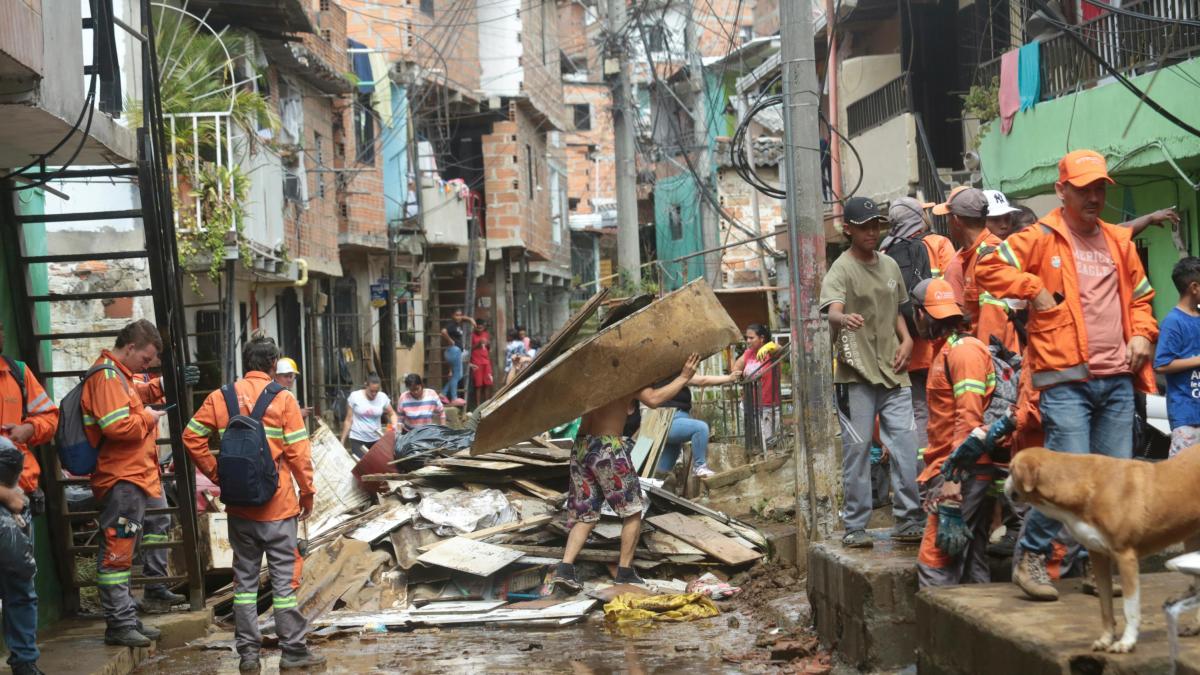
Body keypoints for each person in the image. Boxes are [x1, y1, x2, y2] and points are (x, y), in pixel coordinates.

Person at [976, 149, 1158, 602]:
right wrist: (1033, 289)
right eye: (1084, 189)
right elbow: (987, 268)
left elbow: (1141, 299)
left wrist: (1140, 336)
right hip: (1063, 380)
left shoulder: (1119, 241)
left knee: (1112, 483)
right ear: (1063, 191)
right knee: (1067, 481)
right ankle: (1031, 556)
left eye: (1099, 188)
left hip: (1117, 377)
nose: (1094, 197)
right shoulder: (1039, 237)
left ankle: (1101, 569)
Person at [182, 336, 324, 672]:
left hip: (239, 510)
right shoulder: (284, 400)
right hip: (278, 509)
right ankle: (293, 652)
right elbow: (299, 456)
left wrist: (218, 475)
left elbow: (191, 437)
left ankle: (248, 656)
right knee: (284, 582)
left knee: (244, 585)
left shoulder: (221, 396)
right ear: (274, 364)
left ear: (246, 361)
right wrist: (308, 494)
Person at [551, 300, 701, 591]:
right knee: (633, 509)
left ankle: (565, 569)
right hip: (607, 449)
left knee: (587, 513)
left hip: (582, 446)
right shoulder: (625, 373)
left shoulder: (590, 373)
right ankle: (624, 572)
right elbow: (655, 400)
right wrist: (684, 377)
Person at [818, 196, 924, 548]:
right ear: (848, 229)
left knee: (906, 445)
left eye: (876, 225)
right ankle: (855, 525)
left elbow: (897, 310)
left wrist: (907, 340)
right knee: (858, 449)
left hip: (894, 371)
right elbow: (833, 310)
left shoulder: (891, 266)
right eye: (864, 226)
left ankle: (909, 519)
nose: (872, 231)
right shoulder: (841, 269)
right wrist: (843, 317)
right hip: (855, 374)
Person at [80, 320, 171, 647]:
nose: (146, 366)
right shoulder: (106, 376)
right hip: (122, 478)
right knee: (118, 552)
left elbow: (133, 396)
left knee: (132, 540)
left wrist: (161, 386)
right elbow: (118, 425)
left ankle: (128, 617)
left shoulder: (119, 375)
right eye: (146, 360)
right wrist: (150, 417)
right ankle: (119, 623)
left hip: (135, 477)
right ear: (130, 348)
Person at [909, 279, 998, 588]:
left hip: (961, 472)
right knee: (971, 556)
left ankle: (937, 634)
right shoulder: (948, 351)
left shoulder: (962, 352)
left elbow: (968, 419)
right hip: (962, 469)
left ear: (922, 314)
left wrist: (952, 480)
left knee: (935, 562)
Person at [0, 320, 57, 675]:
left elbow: (49, 415)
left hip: (20, 495)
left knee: (21, 584)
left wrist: (30, 428)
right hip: (10, 495)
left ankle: (25, 663)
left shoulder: (17, 373)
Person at [882, 197, 957, 464]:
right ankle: (945, 472)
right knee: (947, 410)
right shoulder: (938, 244)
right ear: (918, 217)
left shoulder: (885, 252)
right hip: (939, 345)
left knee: (917, 413)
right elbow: (953, 288)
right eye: (924, 212)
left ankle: (921, 478)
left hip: (906, 350)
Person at [938, 187, 1019, 355]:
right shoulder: (972, 255)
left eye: (948, 218)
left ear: (956, 220)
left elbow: (994, 322)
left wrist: (983, 362)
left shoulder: (989, 256)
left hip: (995, 361)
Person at [649, 364, 741, 480]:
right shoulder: (674, 375)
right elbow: (702, 380)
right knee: (700, 428)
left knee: (661, 474)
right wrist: (728, 378)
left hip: (670, 422)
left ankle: (649, 492)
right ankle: (699, 466)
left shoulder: (672, 374)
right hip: (669, 420)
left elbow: (702, 380)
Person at [1154, 257, 1200, 457]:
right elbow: (1161, 364)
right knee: (1182, 478)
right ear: (1194, 287)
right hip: (1186, 416)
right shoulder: (1173, 322)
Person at [732, 324, 783, 451]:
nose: (748, 341)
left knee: (768, 444)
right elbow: (736, 368)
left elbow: (780, 349)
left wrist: (768, 346)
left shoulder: (770, 352)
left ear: (762, 338)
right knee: (753, 443)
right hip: (749, 404)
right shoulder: (748, 353)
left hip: (767, 405)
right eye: (746, 338)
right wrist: (739, 376)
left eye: (751, 338)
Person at [340, 374, 398, 460]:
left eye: (376, 391)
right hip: (357, 438)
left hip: (376, 439)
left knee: (376, 465)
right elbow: (348, 420)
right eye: (371, 391)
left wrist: (394, 426)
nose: (374, 394)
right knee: (361, 465)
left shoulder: (382, 397)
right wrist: (342, 441)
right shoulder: (355, 396)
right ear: (366, 386)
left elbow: (392, 413)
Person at [440, 310, 476, 406]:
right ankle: (454, 398)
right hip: (454, 350)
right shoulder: (451, 324)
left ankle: (443, 394)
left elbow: (462, 318)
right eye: (457, 315)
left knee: (458, 376)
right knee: (457, 376)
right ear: (452, 316)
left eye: (460, 315)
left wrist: (470, 319)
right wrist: (450, 340)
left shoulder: (457, 323)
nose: (459, 317)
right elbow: (443, 331)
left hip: (455, 351)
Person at [469, 321, 494, 406]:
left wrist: (488, 344)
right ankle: (478, 405)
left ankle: (487, 403)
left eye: (481, 328)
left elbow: (489, 347)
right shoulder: (472, 335)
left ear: (484, 327)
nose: (479, 330)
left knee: (488, 383)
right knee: (478, 385)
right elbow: (469, 349)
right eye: (478, 328)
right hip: (476, 362)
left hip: (486, 361)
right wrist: (478, 344)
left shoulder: (486, 334)